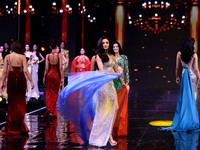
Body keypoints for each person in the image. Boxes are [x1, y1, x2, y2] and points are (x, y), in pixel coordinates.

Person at [57, 36, 125, 147]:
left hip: (111, 86)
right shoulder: (98, 56)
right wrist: (115, 75)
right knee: (102, 111)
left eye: (107, 43)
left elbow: (117, 70)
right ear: (101, 44)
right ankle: (108, 137)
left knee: (115, 108)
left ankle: (108, 134)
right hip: (102, 86)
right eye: (103, 43)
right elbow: (102, 71)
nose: (105, 45)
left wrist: (123, 83)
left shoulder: (112, 56)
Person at [160, 38, 200, 131]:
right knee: (193, 98)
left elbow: (177, 68)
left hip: (184, 76)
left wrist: (177, 77)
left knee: (185, 97)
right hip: (192, 77)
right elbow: (196, 69)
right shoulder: (194, 55)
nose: (194, 46)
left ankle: (185, 119)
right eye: (193, 44)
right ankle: (191, 120)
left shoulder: (179, 54)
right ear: (191, 45)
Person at [0, 41, 34, 135]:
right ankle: (19, 124)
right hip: (20, 77)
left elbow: (5, 71)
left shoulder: (7, 57)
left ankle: (11, 124)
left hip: (11, 77)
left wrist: (1, 83)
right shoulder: (22, 57)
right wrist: (31, 81)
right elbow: (26, 70)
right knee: (20, 101)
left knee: (12, 102)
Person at [112, 41, 129, 137]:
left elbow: (127, 71)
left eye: (116, 46)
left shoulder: (124, 58)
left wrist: (127, 84)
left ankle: (121, 130)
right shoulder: (111, 58)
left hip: (121, 83)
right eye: (113, 47)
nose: (115, 48)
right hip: (113, 82)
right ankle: (113, 129)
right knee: (114, 107)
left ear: (119, 47)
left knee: (122, 108)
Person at [43, 41, 64, 118]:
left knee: (49, 92)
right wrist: (62, 78)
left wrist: (44, 77)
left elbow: (46, 68)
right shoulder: (59, 55)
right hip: (56, 75)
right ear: (56, 46)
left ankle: (49, 110)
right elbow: (61, 68)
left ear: (50, 47)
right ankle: (53, 111)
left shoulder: (48, 55)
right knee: (55, 93)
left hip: (49, 75)